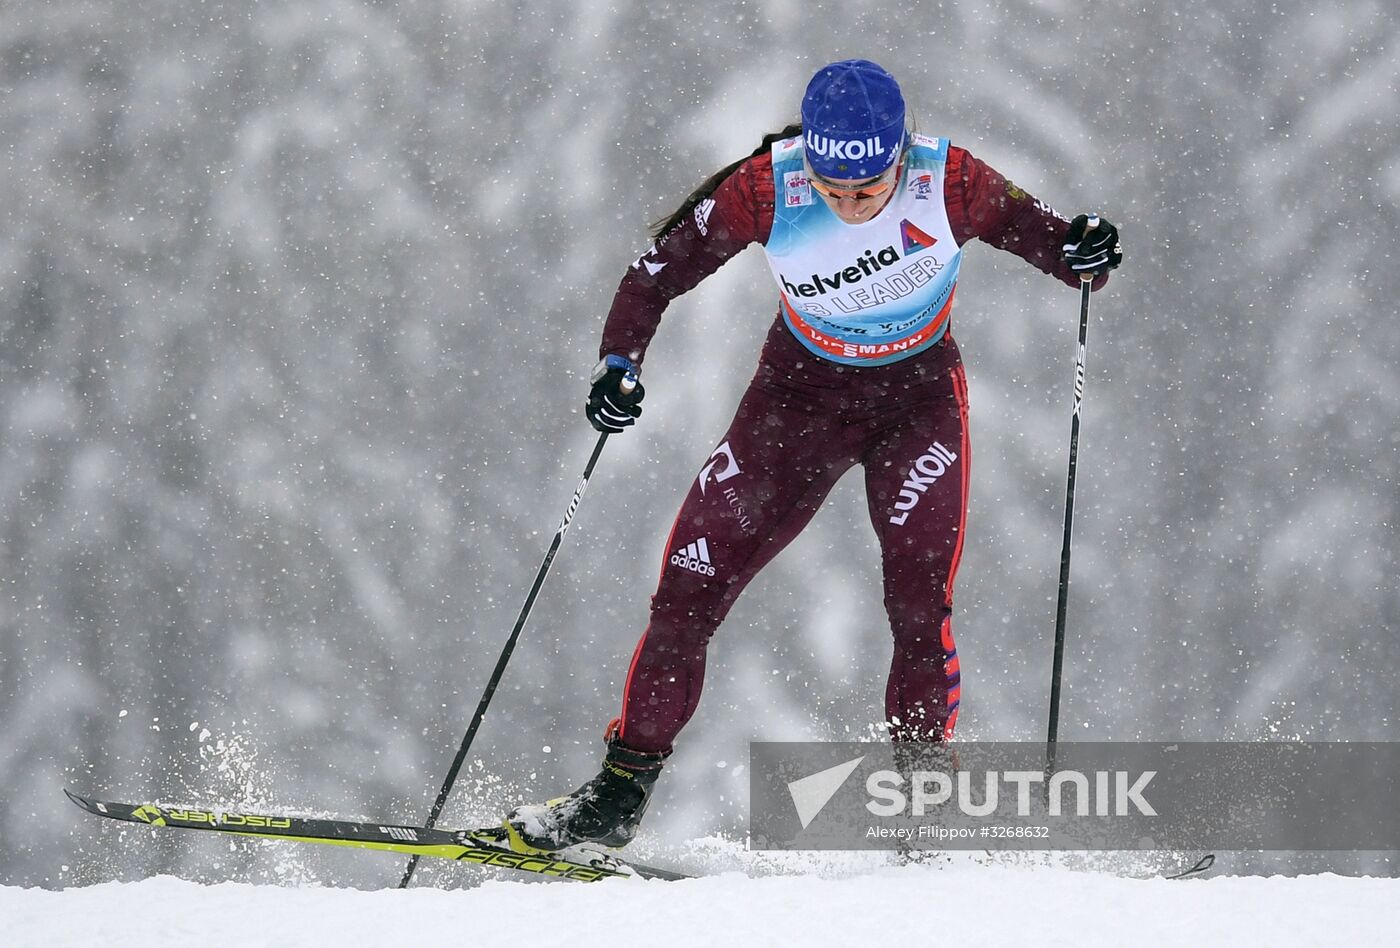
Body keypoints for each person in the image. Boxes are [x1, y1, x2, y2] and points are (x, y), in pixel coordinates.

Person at [506, 59, 1122, 852]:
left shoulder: (953, 181)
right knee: (686, 592)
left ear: (899, 156)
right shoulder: (767, 188)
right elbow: (653, 276)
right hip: (796, 402)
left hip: (917, 404)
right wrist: (619, 367)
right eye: (834, 190)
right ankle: (618, 794)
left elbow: (1063, 252)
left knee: (917, 604)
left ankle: (923, 815)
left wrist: (1086, 247)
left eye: (868, 191)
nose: (850, 204)